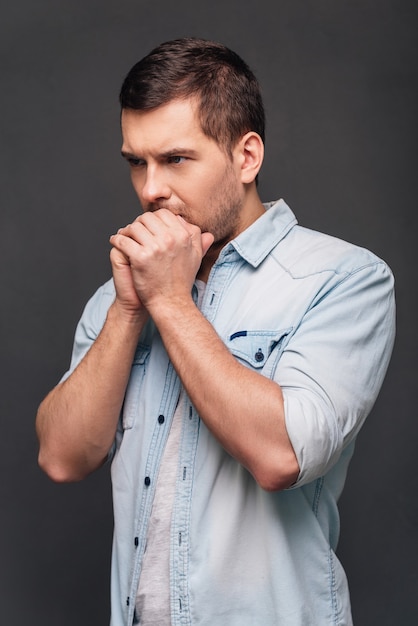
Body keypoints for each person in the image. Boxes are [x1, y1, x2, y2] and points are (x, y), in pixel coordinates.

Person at [36, 37, 396, 626]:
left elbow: (282, 455)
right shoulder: (120, 296)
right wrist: (129, 312)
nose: (150, 188)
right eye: (136, 161)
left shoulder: (344, 278)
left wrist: (171, 303)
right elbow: (61, 457)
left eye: (175, 159)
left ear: (246, 156)